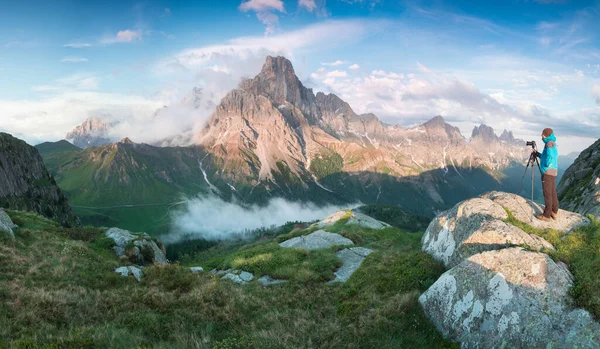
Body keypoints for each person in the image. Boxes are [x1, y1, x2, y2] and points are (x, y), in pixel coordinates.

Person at [533, 128, 559, 221]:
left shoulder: (549, 144)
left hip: (548, 172)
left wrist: (547, 165)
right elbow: (545, 156)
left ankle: (546, 215)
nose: (541, 136)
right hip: (553, 172)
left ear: (546, 135)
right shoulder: (552, 142)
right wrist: (537, 154)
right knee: (552, 192)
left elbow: (550, 156)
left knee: (547, 194)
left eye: (542, 134)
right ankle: (554, 212)